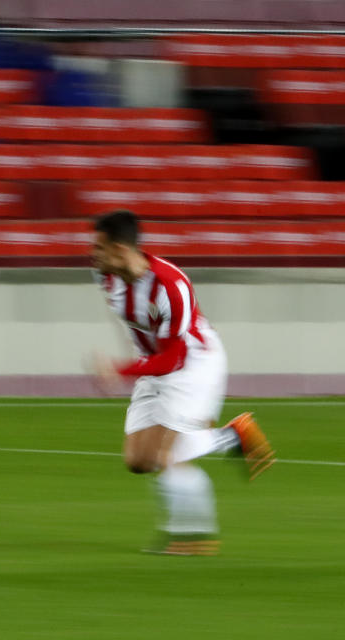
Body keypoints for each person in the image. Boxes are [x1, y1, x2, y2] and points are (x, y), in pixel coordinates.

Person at [89, 210, 275, 556]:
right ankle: (232, 436)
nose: (92, 255)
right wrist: (134, 364)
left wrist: (122, 369)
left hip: (193, 363)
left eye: (98, 248)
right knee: (138, 461)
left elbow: (175, 358)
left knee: (168, 455)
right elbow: (136, 326)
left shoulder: (170, 286)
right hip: (152, 363)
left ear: (119, 249)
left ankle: (193, 537)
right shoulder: (107, 278)